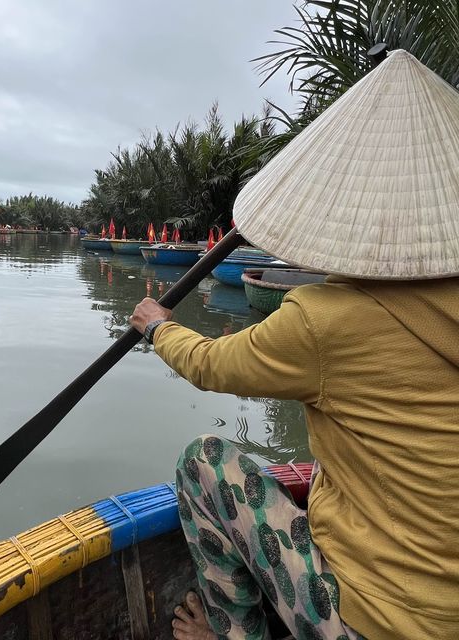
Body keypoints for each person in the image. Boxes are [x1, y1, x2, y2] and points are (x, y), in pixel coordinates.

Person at [131, 50, 459, 640]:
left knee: (203, 463)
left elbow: (209, 364)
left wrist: (158, 325)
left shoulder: (324, 320)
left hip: (377, 622)